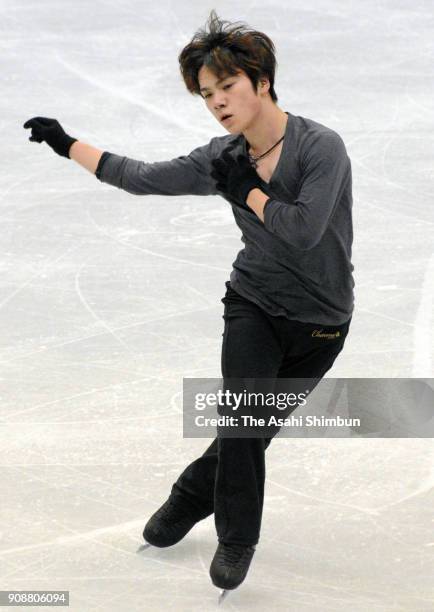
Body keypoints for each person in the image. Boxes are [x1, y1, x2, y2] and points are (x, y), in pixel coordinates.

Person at [23, 9, 355, 599]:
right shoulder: (221, 157)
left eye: (227, 86)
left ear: (261, 81)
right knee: (242, 419)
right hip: (252, 304)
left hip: (324, 321)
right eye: (207, 94)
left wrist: (246, 191)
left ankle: (185, 498)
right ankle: (236, 540)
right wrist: (67, 143)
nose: (218, 102)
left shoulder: (320, 147)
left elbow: (303, 230)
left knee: (247, 432)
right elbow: (143, 177)